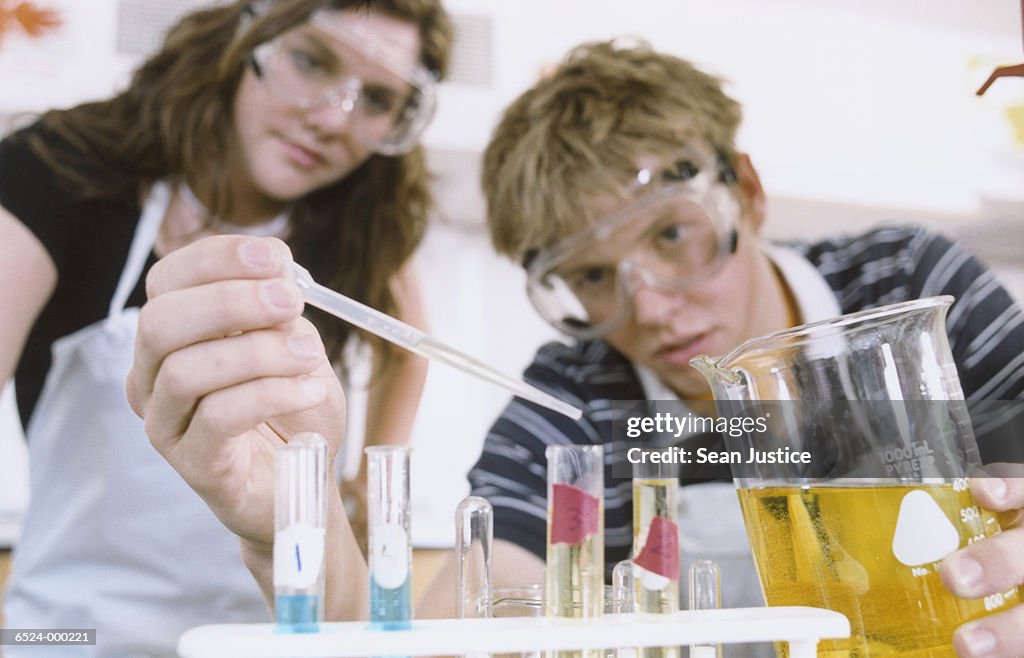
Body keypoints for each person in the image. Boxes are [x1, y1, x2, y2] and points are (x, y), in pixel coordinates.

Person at [130, 38, 1024, 658]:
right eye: (594, 279)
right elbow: (454, 645)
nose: (654, 308)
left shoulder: (904, 288)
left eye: (671, 236)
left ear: (743, 193)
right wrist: (301, 515)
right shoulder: (579, 408)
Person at [0, 0, 451, 655]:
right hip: (65, 633)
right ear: (245, 38)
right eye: (310, 61)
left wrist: (360, 490)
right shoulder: (61, 173)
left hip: (259, 636)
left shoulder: (363, 228)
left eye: (377, 99)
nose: (330, 118)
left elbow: (411, 350)